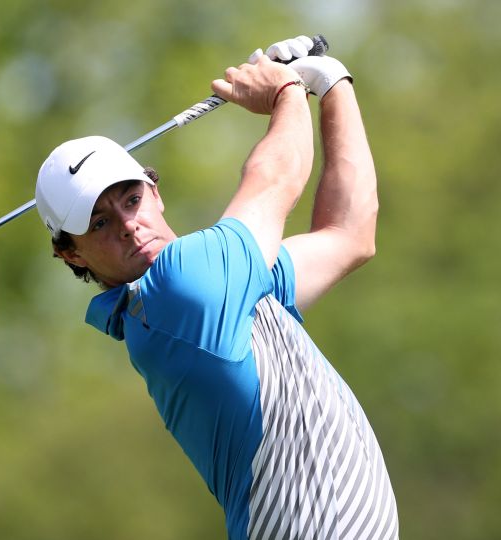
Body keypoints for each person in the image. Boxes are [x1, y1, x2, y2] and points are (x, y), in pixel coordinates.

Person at [34, 35, 398, 539]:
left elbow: (349, 233)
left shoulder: (228, 290)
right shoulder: (180, 290)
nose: (127, 225)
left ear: (154, 192)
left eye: (131, 199)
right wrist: (287, 91)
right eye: (98, 223)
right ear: (70, 254)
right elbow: (276, 178)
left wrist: (332, 83)